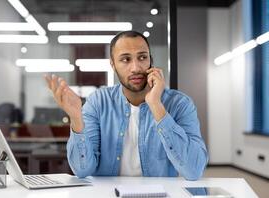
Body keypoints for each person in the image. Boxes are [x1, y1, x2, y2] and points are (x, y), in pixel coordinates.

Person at [45, 31, 208, 180]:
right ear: (113, 64)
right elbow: (82, 170)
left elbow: (193, 171)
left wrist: (156, 105)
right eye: (125, 59)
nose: (136, 68)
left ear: (151, 60)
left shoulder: (179, 104)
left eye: (142, 57)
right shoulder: (98, 102)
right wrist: (76, 119)